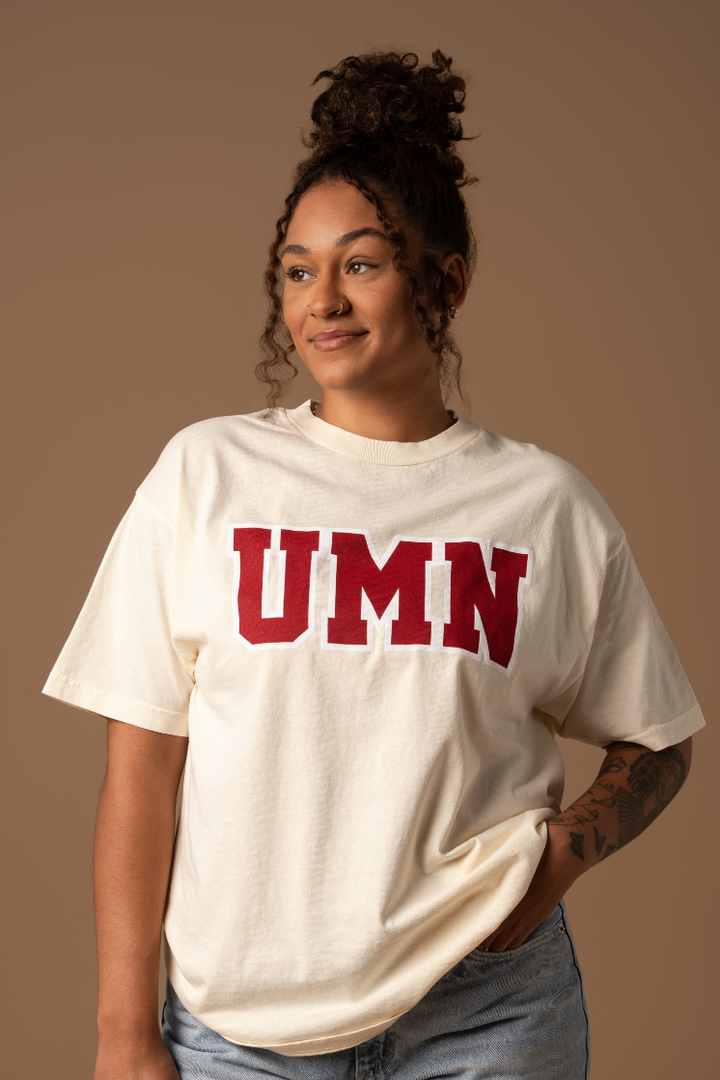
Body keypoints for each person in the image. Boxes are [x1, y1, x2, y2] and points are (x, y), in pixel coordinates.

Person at [44, 50, 704, 1080]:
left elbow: (658, 743)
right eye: (299, 269)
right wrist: (124, 1033)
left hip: (490, 1012)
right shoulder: (205, 475)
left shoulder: (544, 506)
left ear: (445, 281)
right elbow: (143, 768)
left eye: (361, 263)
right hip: (241, 1026)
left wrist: (551, 873)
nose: (324, 301)